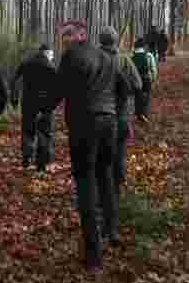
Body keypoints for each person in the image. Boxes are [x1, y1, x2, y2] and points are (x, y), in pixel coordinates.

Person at [50, 20, 129, 275]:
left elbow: (56, 92)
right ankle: (112, 230)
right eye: (63, 36)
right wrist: (114, 112)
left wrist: (42, 111)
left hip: (85, 127)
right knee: (105, 176)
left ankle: (94, 257)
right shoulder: (106, 57)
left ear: (82, 34)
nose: (65, 39)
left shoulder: (71, 56)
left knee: (85, 184)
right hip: (109, 124)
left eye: (69, 35)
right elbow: (125, 87)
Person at [99, 27, 143, 207]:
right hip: (120, 115)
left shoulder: (93, 58)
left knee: (100, 157)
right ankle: (115, 196)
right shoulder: (124, 60)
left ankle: (101, 196)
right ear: (115, 41)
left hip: (97, 117)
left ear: (101, 41)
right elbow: (138, 85)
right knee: (118, 155)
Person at [10, 44, 57, 172]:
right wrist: (54, 104)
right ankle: (41, 165)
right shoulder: (50, 67)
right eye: (52, 55)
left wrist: (14, 98)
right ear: (47, 53)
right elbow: (58, 87)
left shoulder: (26, 62)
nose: (52, 57)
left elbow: (14, 80)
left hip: (28, 103)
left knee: (27, 130)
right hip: (45, 105)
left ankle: (27, 155)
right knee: (44, 132)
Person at [132, 37, 158, 120]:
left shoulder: (132, 57)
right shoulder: (149, 55)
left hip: (135, 80)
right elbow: (153, 69)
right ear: (144, 46)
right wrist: (153, 78)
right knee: (146, 97)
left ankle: (138, 113)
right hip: (146, 79)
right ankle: (145, 114)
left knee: (137, 96)